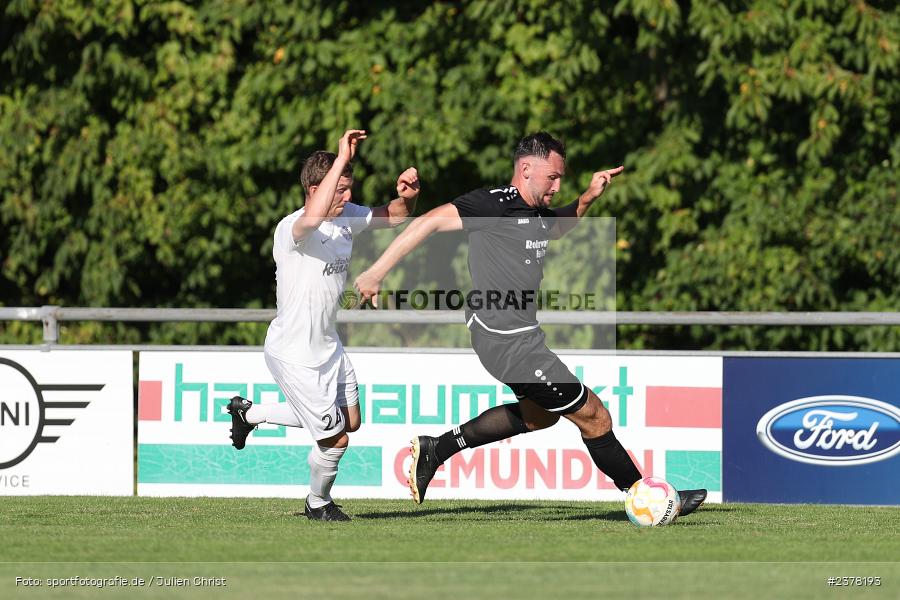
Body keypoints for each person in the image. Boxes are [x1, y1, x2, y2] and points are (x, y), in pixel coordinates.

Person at [354, 132, 706, 516]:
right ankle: (648, 498)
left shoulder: (537, 213)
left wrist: (587, 198)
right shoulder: (493, 204)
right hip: (507, 340)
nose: (558, 185)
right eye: (552, 177)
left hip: (518, 336)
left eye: (561, 178)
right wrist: (375, 272)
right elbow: (427, 223)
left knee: (540, 416)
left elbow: (555, 228)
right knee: (594, 414)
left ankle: (437, 448)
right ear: (525, 170)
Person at [227, 129, 419, 521]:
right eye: (339, 189)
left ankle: (249, 414)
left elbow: (394, 215)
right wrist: (342, 158)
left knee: (352, 421)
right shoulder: (292, 228)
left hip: (327, 346)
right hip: (294, 354)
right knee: (336, 440)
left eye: (349, 189)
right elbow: (313, 215)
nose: (347, 198)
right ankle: (318, 503)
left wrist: (408, 197)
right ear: (314, 189)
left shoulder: (345, 216)